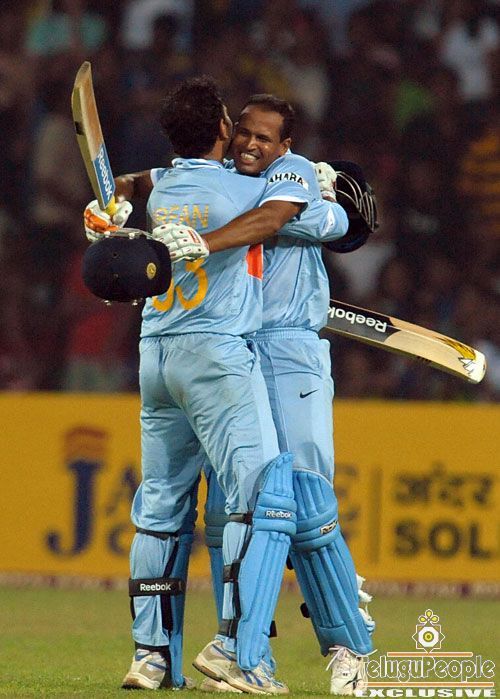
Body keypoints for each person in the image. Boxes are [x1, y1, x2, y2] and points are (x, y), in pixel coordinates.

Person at [84, 78, 349, 694]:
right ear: (224, 131)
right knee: (255, 502)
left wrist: (107, 202)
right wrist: (325, 191)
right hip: (218, 355)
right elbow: (317, 221)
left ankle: (151, 657)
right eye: (237, 126)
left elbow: (135, 181)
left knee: (160, 507)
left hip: (155, 355)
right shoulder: (248, 187)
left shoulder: (163, 187)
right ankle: (238, 650)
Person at [160, 95, 377, 695]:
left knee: (304, 497)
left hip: (289, 349)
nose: (251, 144)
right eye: (244, 133)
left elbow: (334, 226)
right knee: (237, 507)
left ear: (285, 145)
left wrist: (314, 201)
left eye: (265, 138)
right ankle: (245, 649)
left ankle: (346, 642)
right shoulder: (231, 183)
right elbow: (170, 186)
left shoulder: (294, 172)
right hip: (231, 346)